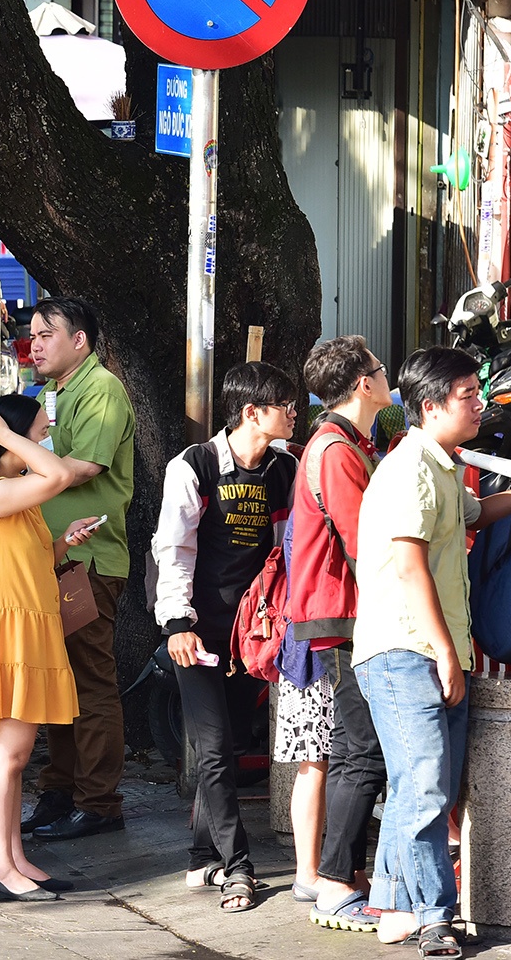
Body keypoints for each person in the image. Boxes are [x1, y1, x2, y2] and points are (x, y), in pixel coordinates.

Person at [353, 346, 511, 956]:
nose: (479, 403)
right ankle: (435, 915)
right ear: (429, 407)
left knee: (420, 785)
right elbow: (408, 566)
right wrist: (441, 652)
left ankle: (392, 907)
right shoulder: (409, 468)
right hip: (407, 648)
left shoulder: (442, 466)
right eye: (467, 395)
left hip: (429, 647)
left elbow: (476, 514)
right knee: (429, 785)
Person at [151, 362, 300, 912]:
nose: (293, 412)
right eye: (284, 404)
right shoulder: (194, 465)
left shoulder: (285, 469)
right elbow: (173, 547)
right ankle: (238, 868)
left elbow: (288, 547)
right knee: (212, 751)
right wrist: (178, 624)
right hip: (201, 628)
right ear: (252, 413)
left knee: (230, 747)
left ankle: (199, 857)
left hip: (255, 633)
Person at [0, 394, 103, 901]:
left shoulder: (14, 493)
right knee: (9, 755)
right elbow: (58, 475)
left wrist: (64, 545)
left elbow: (33, 557)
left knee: (15, 756)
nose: (45, 437)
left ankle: (14, 857)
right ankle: (2, 866)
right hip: (7, 635)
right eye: (39, 428)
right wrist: (6, 435)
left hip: (29, 630)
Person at [291, 335, 392, 933]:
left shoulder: (347, 442)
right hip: (347, 612)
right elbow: (363, 541)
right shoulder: (334, 450)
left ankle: (341, 877)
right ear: (362, 384)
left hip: (346, 610)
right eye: (379, 370)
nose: (387, 379)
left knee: (360, 751)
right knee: (363, 753)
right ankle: (334, 882)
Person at [26, 297, 135, 841]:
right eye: (32, 334)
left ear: (80, 341)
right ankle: (59, 790)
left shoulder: (102, 389)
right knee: (56, 680)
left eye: (47, 334)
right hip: (56, 556)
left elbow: (84, 467)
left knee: (89, 681)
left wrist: (11, 444)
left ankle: (98, 802)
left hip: (87, 558)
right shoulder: (57, 391)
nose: (36, 343)